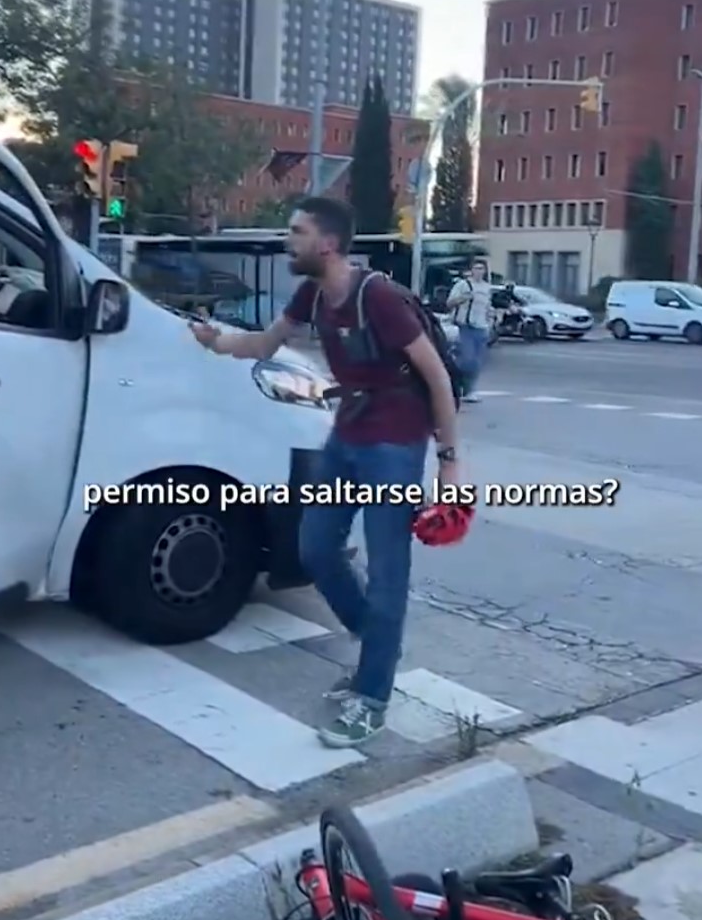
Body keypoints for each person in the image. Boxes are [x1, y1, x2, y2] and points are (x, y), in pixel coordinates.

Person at [189, 196, 460, 749]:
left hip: (394, 445)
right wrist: (216, 341)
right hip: (346, 437)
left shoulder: (378, 297)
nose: (288, 240)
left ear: (328, 244)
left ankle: (372, 696)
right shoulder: (312, 293)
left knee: (388, 572)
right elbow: (264, 344)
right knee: (315, 548)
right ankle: (376, 640)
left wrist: (450, 462)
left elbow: (437, 377)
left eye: (297, 232)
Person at [446, 258, 493, 403]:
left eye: (481, 269)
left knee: (477, 362)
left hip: (481, 327)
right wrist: (463, 298)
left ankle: (470, 390)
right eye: (476, 268)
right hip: (465, 326)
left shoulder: (487, 288)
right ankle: (457, 383)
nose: (479, 271)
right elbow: (449, 303)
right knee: (467, 359)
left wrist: (490, 321)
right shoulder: (463, 285)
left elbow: (487, 307)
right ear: (471, 270)